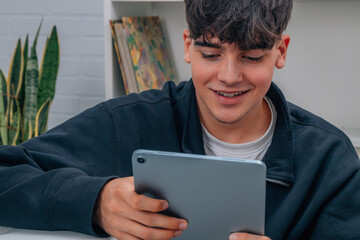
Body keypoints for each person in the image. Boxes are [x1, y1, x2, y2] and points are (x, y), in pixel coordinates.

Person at [1, 0, 359, 239]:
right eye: (210, 53)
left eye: (251, 57)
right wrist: (95, 202)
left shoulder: (331, 161)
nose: (229, 76)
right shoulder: (129, 122)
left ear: (279, 52)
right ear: (187, 45)